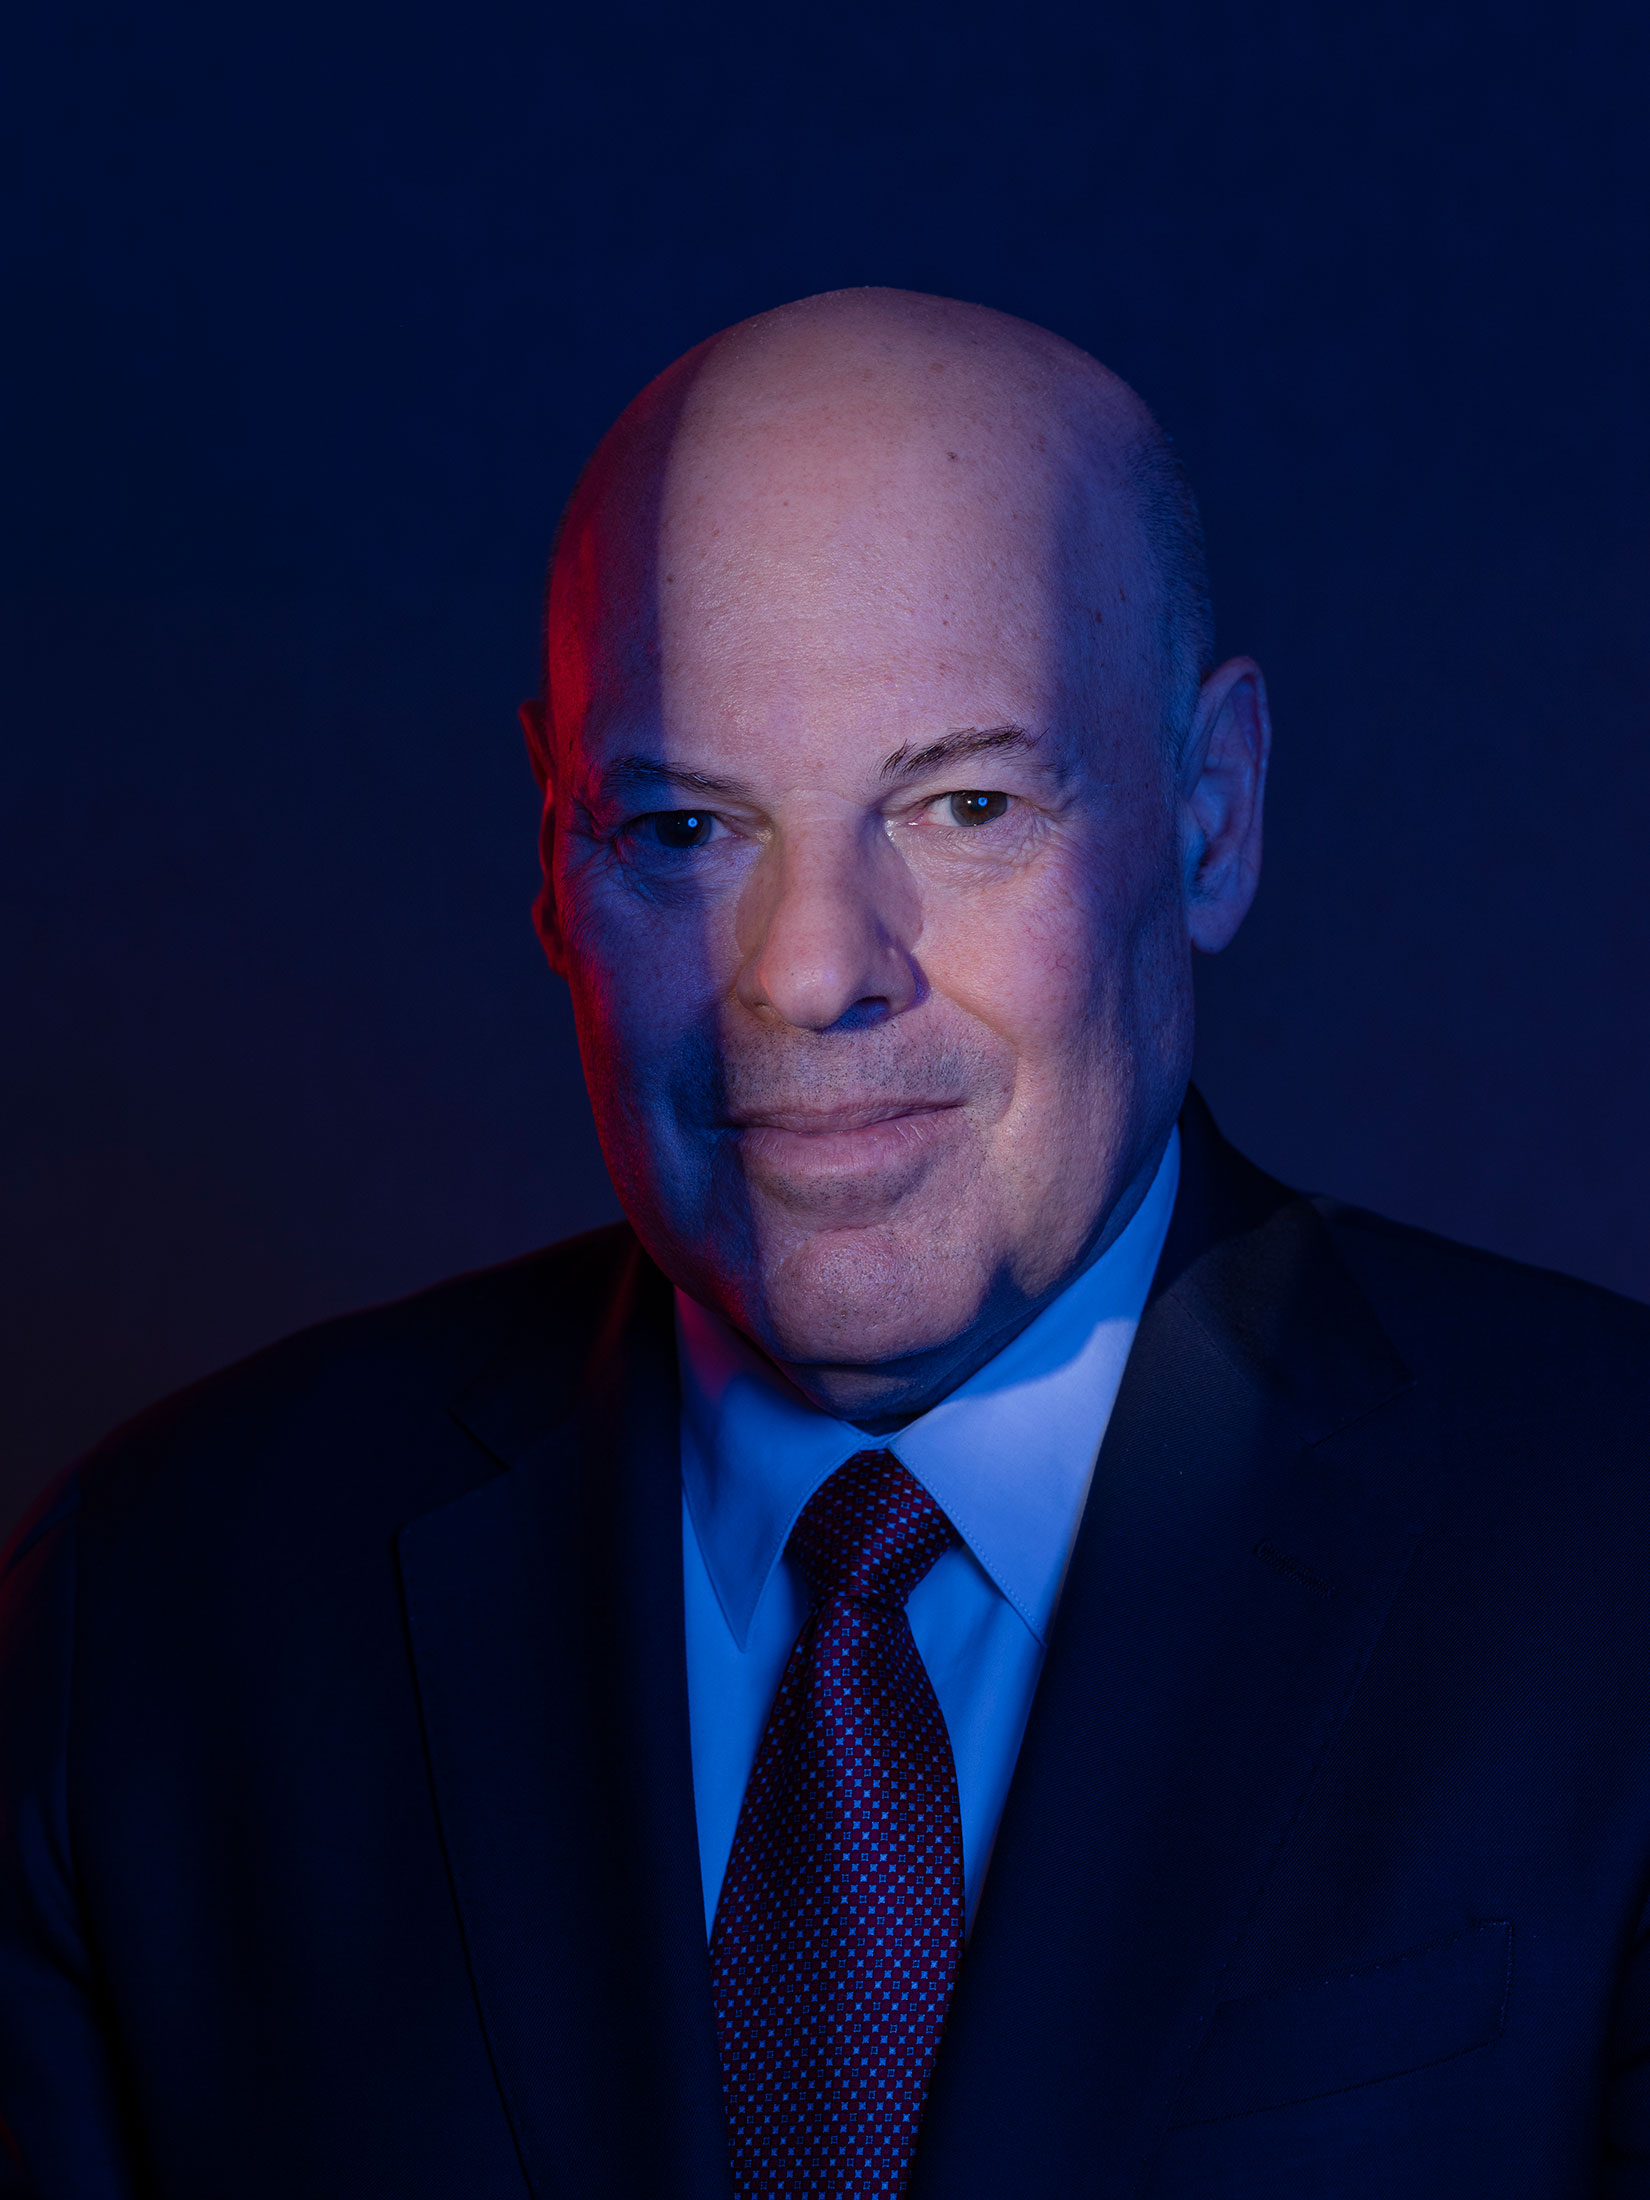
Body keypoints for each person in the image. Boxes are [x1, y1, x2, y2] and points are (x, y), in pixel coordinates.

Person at [1, 288, 1647, 2200]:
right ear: (552, 853)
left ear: (1211, 815)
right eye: (682, 827)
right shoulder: (158, 1620)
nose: (802, 972)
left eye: (963, 804)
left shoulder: (1610, 1563)